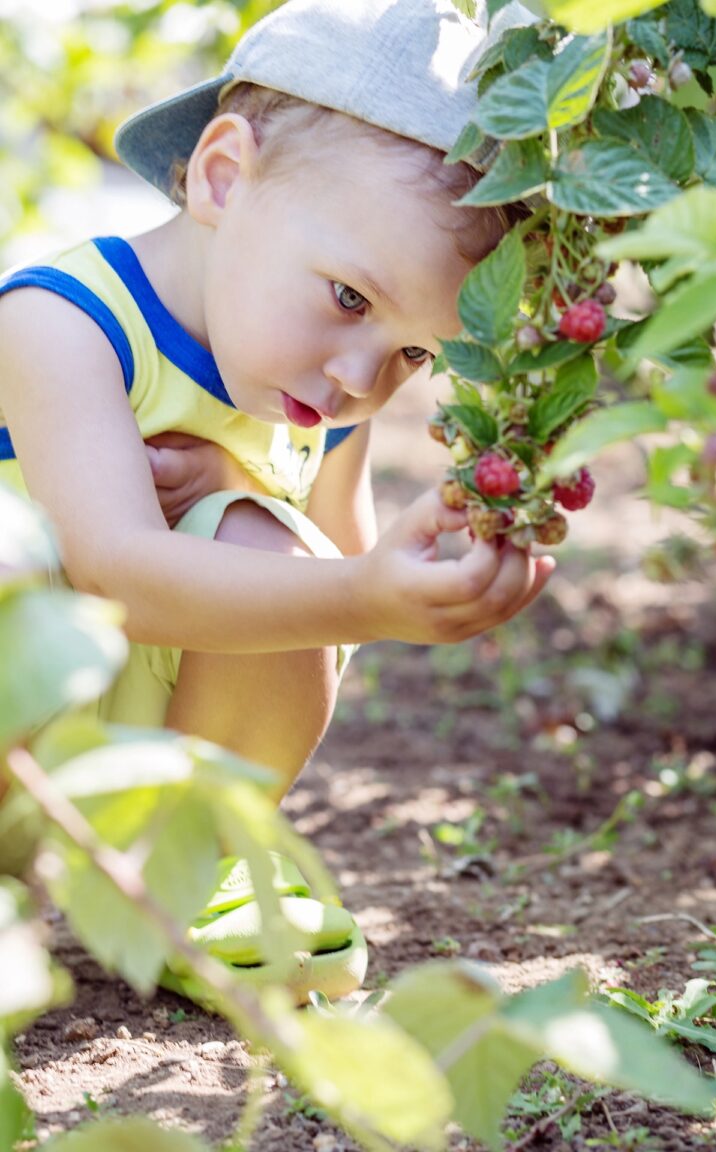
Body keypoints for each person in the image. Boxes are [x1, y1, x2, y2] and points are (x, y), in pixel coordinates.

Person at [0, 0, 553, 998]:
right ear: (222, 177)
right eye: (350, 298)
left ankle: (184, 870)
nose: (361, 375)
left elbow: (330, 572)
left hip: (110, 757)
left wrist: (404, 563)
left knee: (266, 540)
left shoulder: (324, 395)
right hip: (21, 724)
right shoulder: (62, 323)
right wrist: (363, 591)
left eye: (414, 352)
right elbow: (113, 571)